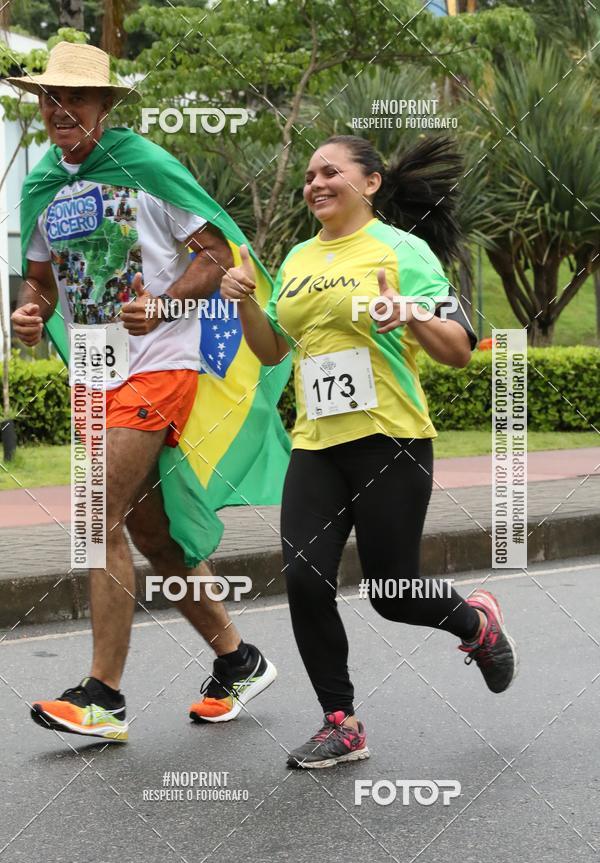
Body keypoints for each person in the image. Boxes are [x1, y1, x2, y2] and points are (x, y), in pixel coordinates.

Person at [9, 42, 279, 743]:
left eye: (76, 101)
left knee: (95, 515)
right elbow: (40, 279)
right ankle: (238, 659)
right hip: (97, 374)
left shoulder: (147, 167)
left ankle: (103, 697)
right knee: (153, 534)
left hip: (162, 366)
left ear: (105, 107)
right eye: (48, 100)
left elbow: (218, 254)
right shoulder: (41, 184)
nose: (59, 111)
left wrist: (160, 304)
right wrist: (32, 311)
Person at [221, 134, 518, 768]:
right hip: (316, 445)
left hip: (391, 440)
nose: (316, 183)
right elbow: (274, 349)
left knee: (392, 591)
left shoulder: (403, 251)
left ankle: (477, 624)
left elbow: (460, 349)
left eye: (331, 171)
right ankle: (340, 721)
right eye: (308, 175)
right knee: (304, 577)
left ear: (371, 183)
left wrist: (408, 312)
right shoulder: (298, 257)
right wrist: (246, 303)